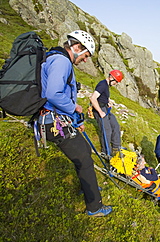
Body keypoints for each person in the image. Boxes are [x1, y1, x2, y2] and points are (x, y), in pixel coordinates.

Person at [38, 30, 112, 217]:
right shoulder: (62, 61)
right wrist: (75, 108)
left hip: (56, 119)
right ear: (77, 47)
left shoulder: (56, 58)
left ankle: (88, 189)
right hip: (53, 122)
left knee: (85, 151)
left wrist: (72, 117)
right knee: (84, 159)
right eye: (86, 55)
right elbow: (53, 94)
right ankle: (94, 207)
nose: (85, 60)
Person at [90, 69, 124, 158]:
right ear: (111, 78)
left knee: (115, 125)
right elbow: (93, 98)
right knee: (107, 130)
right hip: (100, 109)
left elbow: (103, 96)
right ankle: (106, 152)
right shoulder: (102, 85)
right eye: (116, 81)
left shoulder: (106, 86)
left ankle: (116, 148)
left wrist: (108, 102)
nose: (116, 84)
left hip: (105, 107)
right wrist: (100, 112)